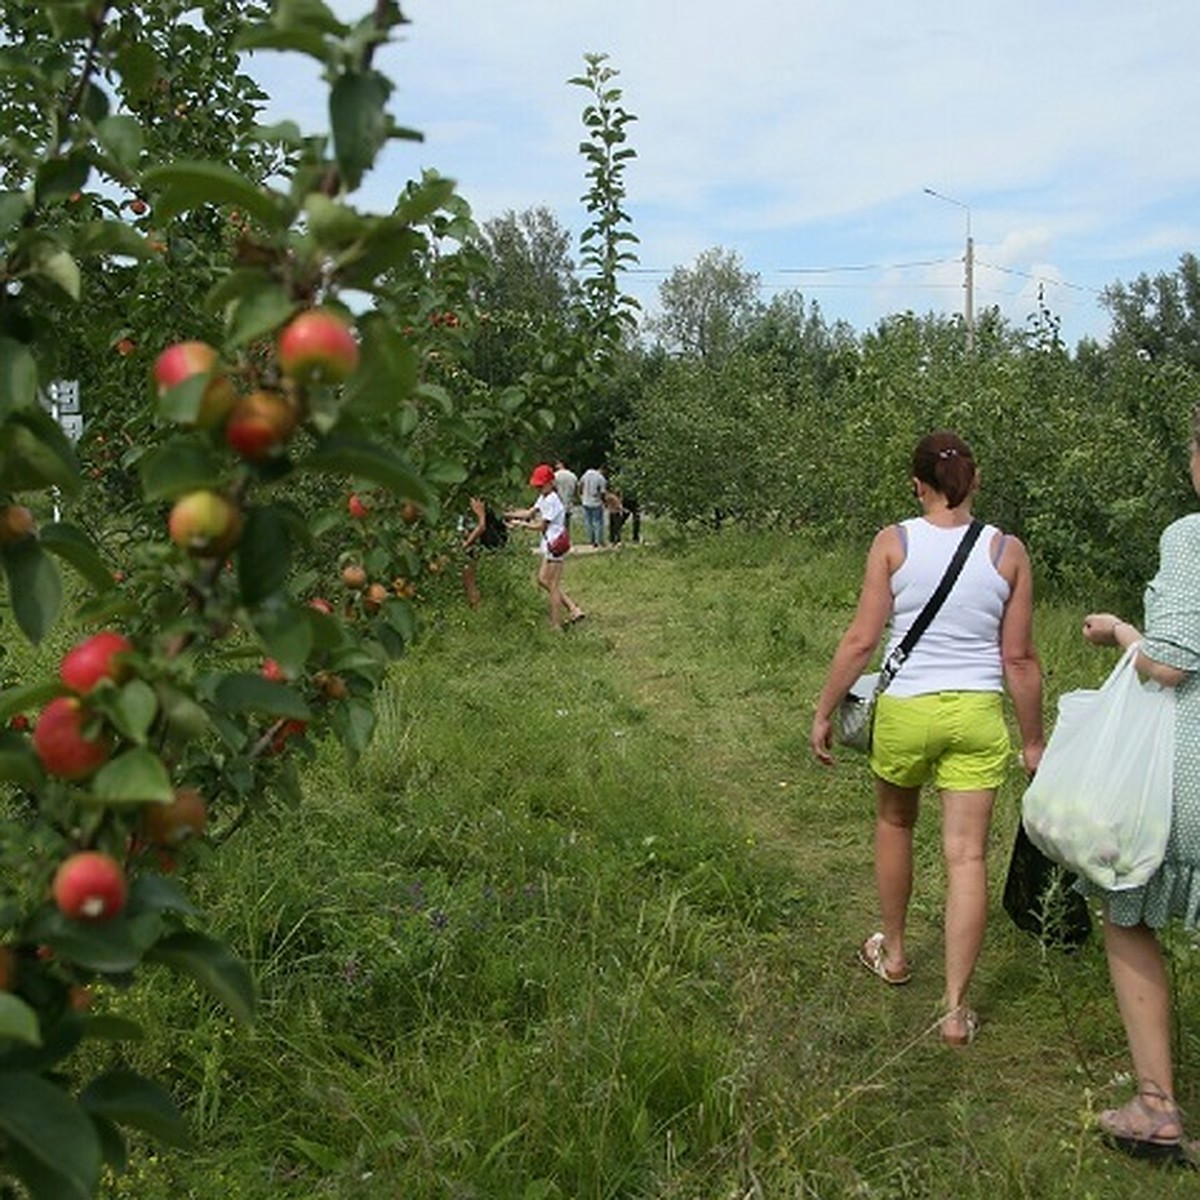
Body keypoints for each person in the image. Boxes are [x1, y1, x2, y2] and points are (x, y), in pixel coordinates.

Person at [810, 431, 1044, 1046]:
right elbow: (1018, 660)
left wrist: (825, 709)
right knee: (966, 855)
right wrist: (1032, 742)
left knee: (895, 824)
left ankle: (893, 954)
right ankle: (955, 1011)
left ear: (917, 484)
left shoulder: (894, 543)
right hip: (975, 715)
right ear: (975, 479)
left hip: (907, 710)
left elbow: (863, 639)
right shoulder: (1007, 552)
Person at [1075, 409, 1200, 1163]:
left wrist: (1123, 634)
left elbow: (1173, 660)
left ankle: (1156, 1106)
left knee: (1127, 910)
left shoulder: (1191, 538)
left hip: (1189, 776)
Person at [505, 463, 585, 630]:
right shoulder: (544, 497)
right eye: (537, 485)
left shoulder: (552, 500)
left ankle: (556, 624)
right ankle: (573, 608)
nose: (539, 488)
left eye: (541, 485)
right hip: (550, 545)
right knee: (542, 580)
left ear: (550, 483)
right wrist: (507, 514)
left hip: (555, 544)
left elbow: (541, 526)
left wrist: (521, 525)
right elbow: (529, 513)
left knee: (553, 585)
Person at [460, 495, 508, 609]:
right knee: (467, 583)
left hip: (469, 547)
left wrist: (465, 544)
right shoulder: (464, 504)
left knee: (470, 584)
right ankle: (475, 609)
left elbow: (481, 526)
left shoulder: (474, 502)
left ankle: (478, 610)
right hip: (467, 545)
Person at [579, 463, 607, 548]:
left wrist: (581, 495)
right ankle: (598, 541)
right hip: (595, 502)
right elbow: (602, 492)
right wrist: (604, 502)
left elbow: (580, 485)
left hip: (585, 501)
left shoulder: (586, 474)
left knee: (588, 521)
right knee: (598, 522)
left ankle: (591, 540)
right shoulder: (601, 478)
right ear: (603, 470)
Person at [554, 460, 578, 531]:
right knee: (567, 524)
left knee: (558, 525)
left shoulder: (555, 475)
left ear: (561, 464)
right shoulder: (573, 476)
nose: (556, 465)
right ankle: (567, 539)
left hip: (558, 503)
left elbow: (553, 488)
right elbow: (576, 489)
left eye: (557, 463)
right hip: (568, 503)